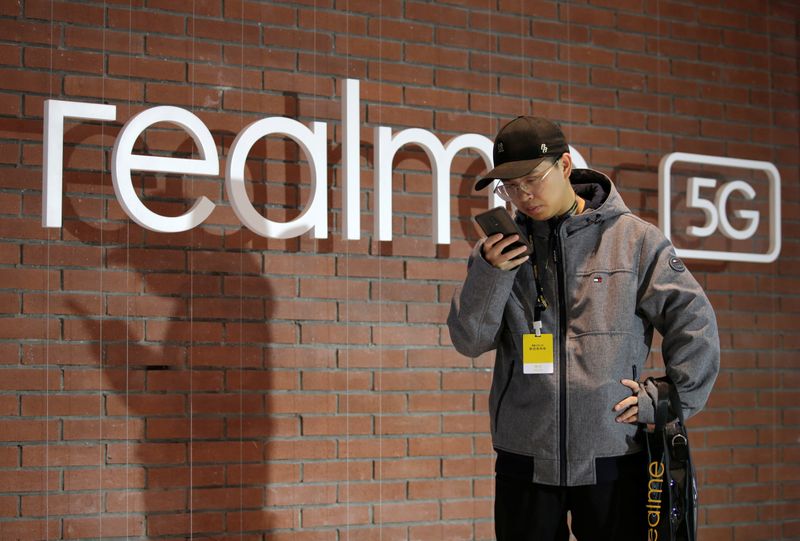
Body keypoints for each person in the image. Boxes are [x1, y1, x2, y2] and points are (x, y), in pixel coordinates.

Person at [447, 116, 720, 540]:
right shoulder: (499, 253)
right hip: (525, 460)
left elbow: (695, 323)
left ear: (566, 167)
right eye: (510, 187)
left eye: (532, 180)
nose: (523, 195)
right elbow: (470, 340)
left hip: (613, 456)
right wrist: (490, 273)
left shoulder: (634, 241)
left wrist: (666, 401)